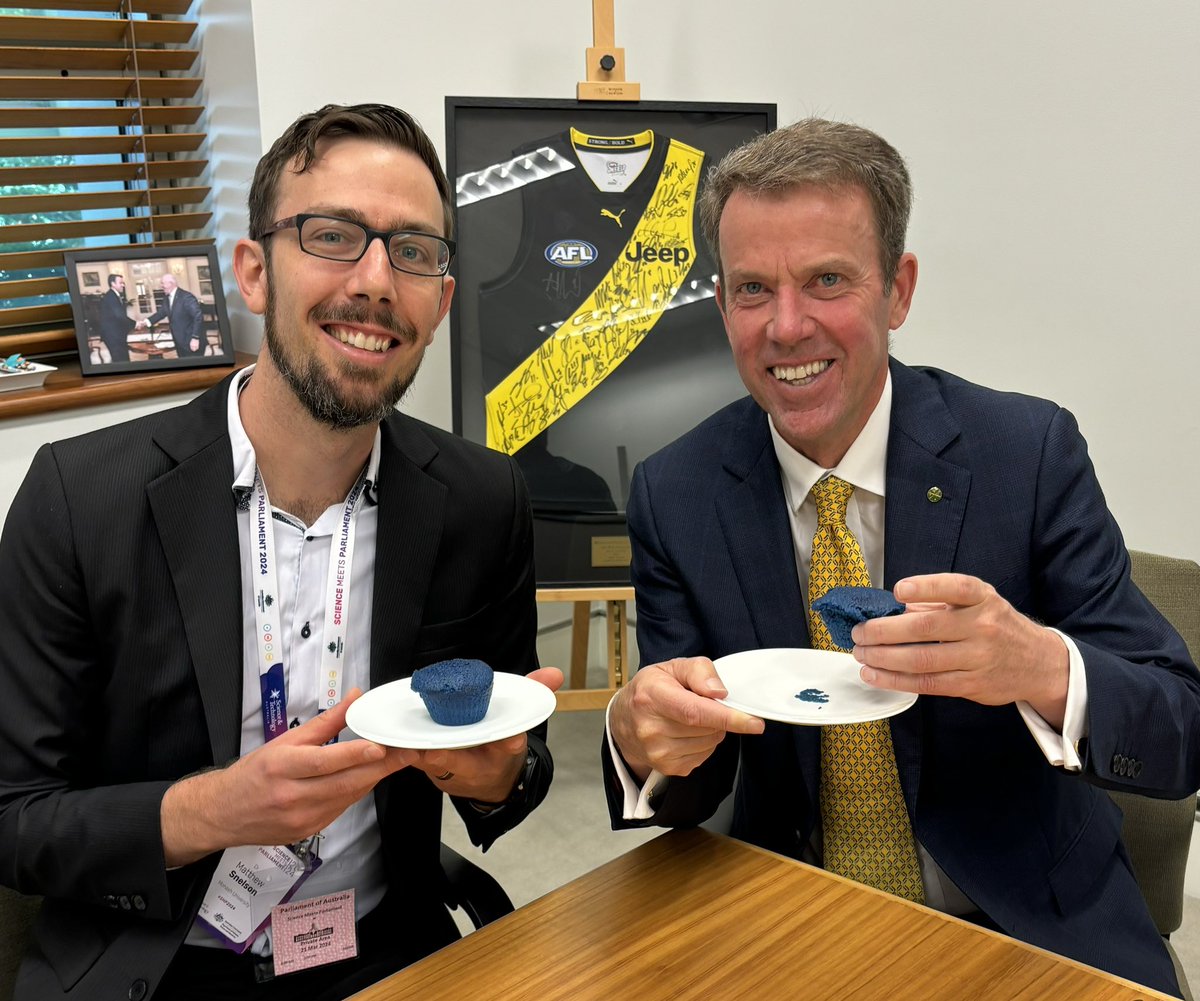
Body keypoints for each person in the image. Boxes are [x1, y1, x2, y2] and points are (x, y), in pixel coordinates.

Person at [602, 119, 1200, 998]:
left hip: (1024, 924)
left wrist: (1040, 665)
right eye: (753, 288)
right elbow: (696, 777)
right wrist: (640, 740)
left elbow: (1182, 726)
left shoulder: (1025, 452)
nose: (787, 325)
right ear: (722, 303)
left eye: (828, 280)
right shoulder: (675, 492)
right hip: (792, 920)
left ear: (899, 290)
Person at [0, 103, 560, 1001]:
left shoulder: (483, 502)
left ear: (443, 300)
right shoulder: (78, 499)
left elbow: (514, 772)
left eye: (414, 251)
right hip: (156, 963)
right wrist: (212, 809)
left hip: (381, 949)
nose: (377, 279)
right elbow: (15, 820)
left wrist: (499, 774)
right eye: (333, 235)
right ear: (254, 272)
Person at [139, 273, 206, 357]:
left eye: (163, 283)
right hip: (179, 340)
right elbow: (160, 313)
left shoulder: (186, 297)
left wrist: (195, 338)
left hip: (191, 341)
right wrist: (145, 322)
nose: (161, 286)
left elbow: (198, 317)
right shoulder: (167, 298)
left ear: (171, 283)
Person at [96, 272, 136, 362]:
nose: (123, 285)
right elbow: (120, 315)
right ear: (113, 284)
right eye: (120, 283)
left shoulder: (114, 295)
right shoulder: (111, 297)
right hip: (113, 335)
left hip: (116, 334)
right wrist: (136, 324)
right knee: (121, 360)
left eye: (123, 283)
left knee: (123, 359)